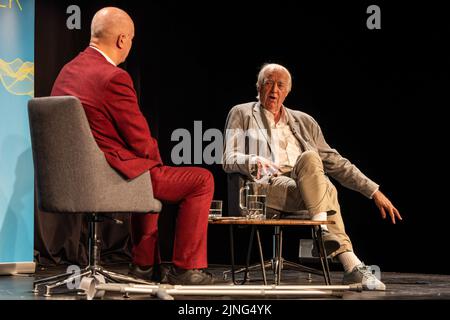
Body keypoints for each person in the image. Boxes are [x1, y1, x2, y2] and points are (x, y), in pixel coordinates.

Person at [51, 7, 214, 285]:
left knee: (143, 168)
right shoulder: (113, 77)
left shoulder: (68, 71)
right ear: (122, 40)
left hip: (72, 179)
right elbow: (140, 138)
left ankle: (143, 267)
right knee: (200, 180)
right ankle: (186, 269)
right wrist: (157, 163)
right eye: (132, 40)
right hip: (108, 176)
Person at [223, 63, 402, 290]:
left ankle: (328, 238)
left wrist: (373, 191)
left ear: (288, 91)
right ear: (258, 87)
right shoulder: (242, 113)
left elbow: (335, 162)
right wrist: (252, 161)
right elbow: (228, 158)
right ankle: (343, 256)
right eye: (268, 83)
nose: (274, 90)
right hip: (265, 188)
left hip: (303, 185)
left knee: (311, 159)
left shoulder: (304, 121)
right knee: (327, 188)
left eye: (280, 85)